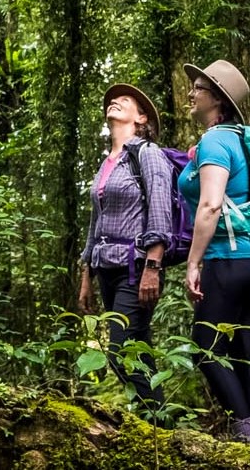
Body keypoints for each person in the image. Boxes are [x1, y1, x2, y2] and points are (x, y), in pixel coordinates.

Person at [180, 60, 250, 444]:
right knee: (242, 340)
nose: (190, 93)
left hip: (225, 256)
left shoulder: (217, 140)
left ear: (216, 97)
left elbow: (211, 205)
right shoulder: (237, 137)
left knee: (204, 345)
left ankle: (245, 428)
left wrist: (193, 261)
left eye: (197, 88)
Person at [79, 83, 174, 420]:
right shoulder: (106, 163)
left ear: (141, 117)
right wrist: (86, 276)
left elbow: (161, 210)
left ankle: (159, 425)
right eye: (111, 100)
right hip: (105, 268)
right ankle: (158, 427)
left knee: (121, 349)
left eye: (126, 100)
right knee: (137, 347)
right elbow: (95, 221)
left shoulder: (147, 153)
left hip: (136, 267)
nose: (115, 101)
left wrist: (153, 265)